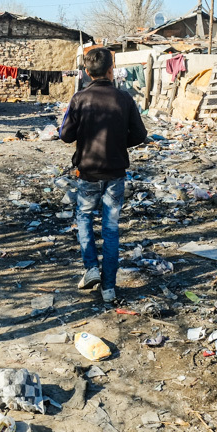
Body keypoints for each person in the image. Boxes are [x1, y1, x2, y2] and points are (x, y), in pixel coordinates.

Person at [59, 47, 147, 304]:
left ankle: (91, 269)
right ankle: (109, 287)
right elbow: (140, 135)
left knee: (84, 218)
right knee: (110, 228)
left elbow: (65, 135)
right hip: (116, 173)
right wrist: (119, 143)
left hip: (87, 173)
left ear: (87, 72)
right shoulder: (124, 99)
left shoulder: (79, 99)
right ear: (111, 69)